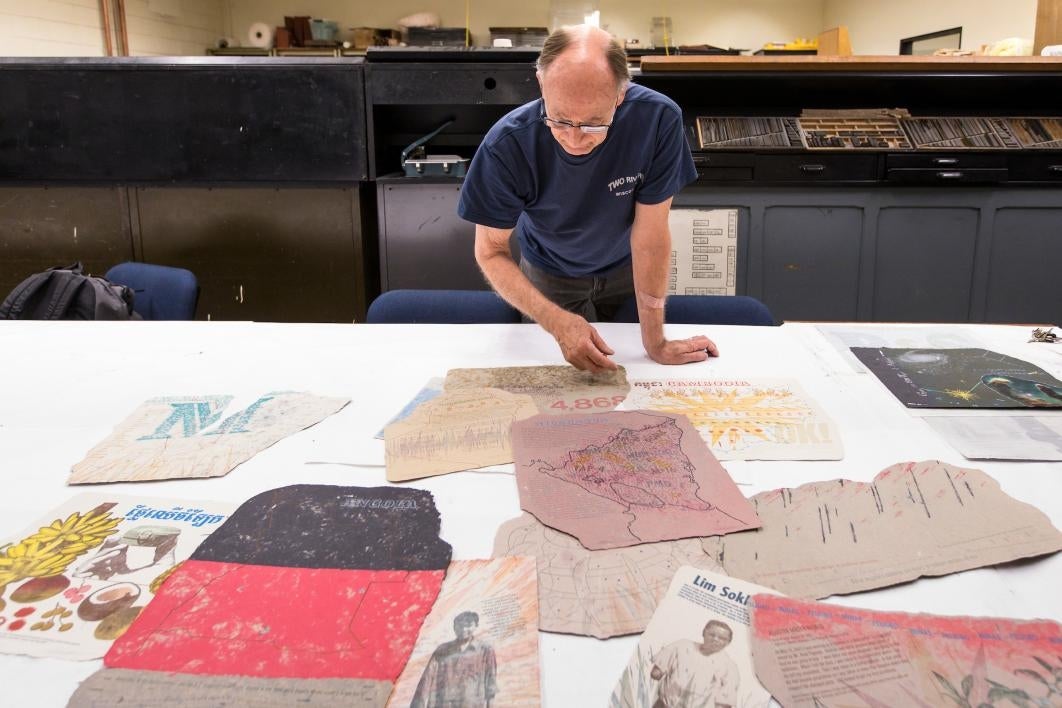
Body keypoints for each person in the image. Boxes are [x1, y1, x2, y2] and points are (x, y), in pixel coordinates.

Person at [458, 24, 718, 373]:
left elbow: (651, 237)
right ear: (541, 82)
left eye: (595, 123)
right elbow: (490, 251)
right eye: (561, 120)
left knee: (640, 377)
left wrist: (656, 341)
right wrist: (555, 321)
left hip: (628, 271)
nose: (576, 140)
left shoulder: (657, 121)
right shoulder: (507, 145)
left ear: (621, 94)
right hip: (548, 275)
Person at [411, 611, 497, 708]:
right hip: (443, 703)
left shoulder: (485, 650)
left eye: (468, 625)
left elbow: (491, 684)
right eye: (459, 625)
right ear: (454, 627)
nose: (463, 629)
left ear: (476, 626)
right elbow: (426, 680)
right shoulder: (442, 650)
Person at [649, 620, 738, 708]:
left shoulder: (729, 667)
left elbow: (724, 703)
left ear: (728, 642)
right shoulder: (682, 646)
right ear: (704, 633)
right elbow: (656, 673)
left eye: (722, 638)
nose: (715, 639)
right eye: (712, 635)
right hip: (664, 704)